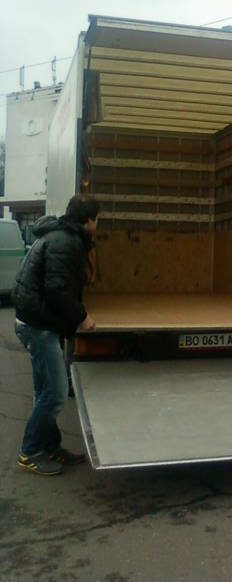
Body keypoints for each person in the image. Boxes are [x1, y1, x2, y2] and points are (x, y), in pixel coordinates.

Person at [13, 195, 99, 475]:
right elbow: (57, 290)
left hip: (35, 320)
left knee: (44, 392)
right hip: (38, 326)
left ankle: (50, 446)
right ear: (89, 220)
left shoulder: (62, 236)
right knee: (57, 392)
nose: (97, 224)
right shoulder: (67, 242)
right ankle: (29, 452)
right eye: (97, 219)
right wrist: (82, 317)